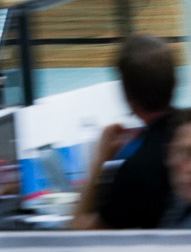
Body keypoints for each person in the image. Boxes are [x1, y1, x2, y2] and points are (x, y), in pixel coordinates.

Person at [72, 34, 180, 230]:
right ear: (176, 81)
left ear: (127, 95)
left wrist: (98, 162)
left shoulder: (136, 172)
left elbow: (78, 232)